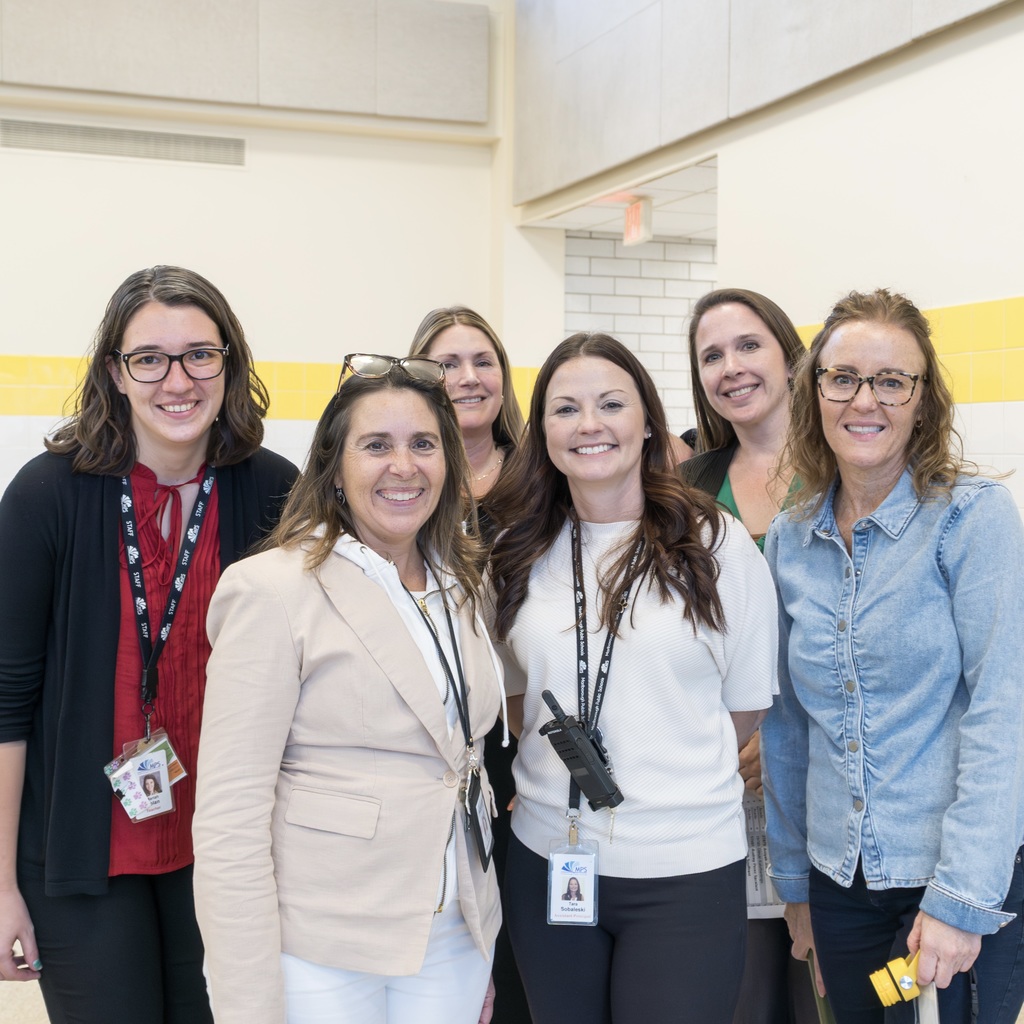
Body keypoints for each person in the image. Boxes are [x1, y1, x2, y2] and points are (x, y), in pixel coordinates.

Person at [0, 266, 298, 1023]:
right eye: (150, 358)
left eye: (200, 354)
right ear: (116, 373)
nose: (178, 380)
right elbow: (7, 700)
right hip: (81, 854)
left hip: (227, 848)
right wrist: (0, 886)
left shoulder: (274, 493)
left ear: (228, 364)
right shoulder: (47, 495)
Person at [192, 353, 506, 1024]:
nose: (404, 466)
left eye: (423, 444)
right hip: (323, 950)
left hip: (452, 937)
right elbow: (229, 818)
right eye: (376, 445)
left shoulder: (461, 586)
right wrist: (247, 1000)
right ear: (334, 469)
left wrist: (482, 940)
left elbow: (463, 765)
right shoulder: (274, 590)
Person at [487, 332, 778, 1024]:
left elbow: (742, 708)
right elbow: (517, 699)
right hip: (549, 862)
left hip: (685, 873)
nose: (590, 425)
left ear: (647, 420)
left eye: (611, 404)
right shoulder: (517, 549)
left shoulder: (716, 544)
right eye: (566, 409)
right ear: (542, 432)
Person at [761, 288, 1024, 1024]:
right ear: (815, 393)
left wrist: (961, 899)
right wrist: (796, 888)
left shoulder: (971, 520)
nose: (863, 401)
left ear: (922, 400)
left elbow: (1005, 713)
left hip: (945, 883)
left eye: (890, 381)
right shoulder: (790, 539)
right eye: (842, 378)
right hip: (837, 887)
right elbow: (786, 727)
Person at [683, 288, 819, 1024]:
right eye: (711, 355)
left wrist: (782, 729)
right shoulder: (690, 486)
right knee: (744, 994)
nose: (730, 367)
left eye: (748, 346)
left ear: (789, 358)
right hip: (727, 783)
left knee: (824, 989)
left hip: (826, 773)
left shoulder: (845, 472)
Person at [408, 305, 529, 1023]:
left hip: (527, 732)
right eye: (446, 363)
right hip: (431, 738)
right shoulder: (406, 477)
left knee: (515, 941)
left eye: (482, 360)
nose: (467, 377)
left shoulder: (543, 476)